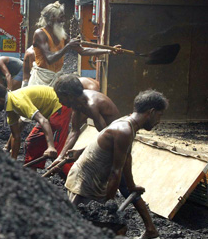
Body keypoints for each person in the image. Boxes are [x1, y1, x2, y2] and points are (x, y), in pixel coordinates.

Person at [65, 89, 168, 239]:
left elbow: (126, 158)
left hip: (91, 180)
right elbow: (115, 172)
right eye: (160, 115)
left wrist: (131, 186)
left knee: (118, 225)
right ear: (151, 112)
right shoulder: (124, 130)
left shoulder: (127, 124)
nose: (159, 121)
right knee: (77, 229)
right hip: (84, 184)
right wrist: (109, 206)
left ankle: (150, 230)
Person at [0, 83, 71, 168]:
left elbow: (43, 121)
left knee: (58, 149)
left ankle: (70, 178)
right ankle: (34, 177)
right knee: (32, 143)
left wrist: (51, 146)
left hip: (60, 104)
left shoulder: (18, 102)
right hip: (49, 113)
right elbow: (16, 136)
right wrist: (13, 163)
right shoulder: (10, 108)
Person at [30, 1, 121, 86]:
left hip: (56, 78)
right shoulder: (40, 34)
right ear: (52, 18)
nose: (64, 20)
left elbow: (83, 51)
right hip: (41, 79)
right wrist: (68, 46)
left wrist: (110, 50)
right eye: (61, 17)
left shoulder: (62, 35)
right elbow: (50, 59)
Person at [47, 74, 120, 176]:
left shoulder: (91, 106)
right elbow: (74, 131)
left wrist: (80, 152)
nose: (60, 101)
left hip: (117, 140)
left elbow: (105, 137)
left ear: (69, 96)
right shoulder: (78, 103)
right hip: (108, 137)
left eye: (61, 98)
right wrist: (60, 157)